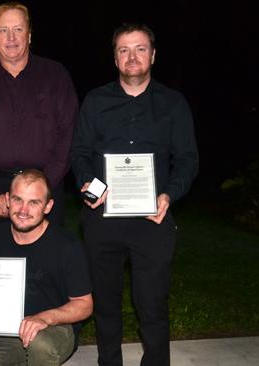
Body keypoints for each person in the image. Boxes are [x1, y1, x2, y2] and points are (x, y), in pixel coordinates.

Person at [70, 23, 199, 366]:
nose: (132, 57)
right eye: (124, 50)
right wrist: (87, 183)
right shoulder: (96, 101)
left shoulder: (173, 104)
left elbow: (187, 159)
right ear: (115, 58)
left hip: (152, 219)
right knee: (106, 303)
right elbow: (80, 153)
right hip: (102, 218)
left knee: (152, 303)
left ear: (153, 55)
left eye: (140, 49)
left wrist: (169, 195)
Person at [0, 2, 78, 233]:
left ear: (29, 35)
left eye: (18, 29)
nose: (11, 37)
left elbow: (68, 137)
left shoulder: (55, 75)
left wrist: (41, 189)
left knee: (46, 266)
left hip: (46, 187)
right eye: (3, 30)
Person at [0, 169, 93, 365]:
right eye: (18, 199)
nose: (23, 210)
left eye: (34, 202)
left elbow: (84, 304)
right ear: (7, 199)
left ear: (48, 206)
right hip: (0, 331)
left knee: (40, 346)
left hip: (52, 329)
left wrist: (43, 318)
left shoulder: (67, 246)